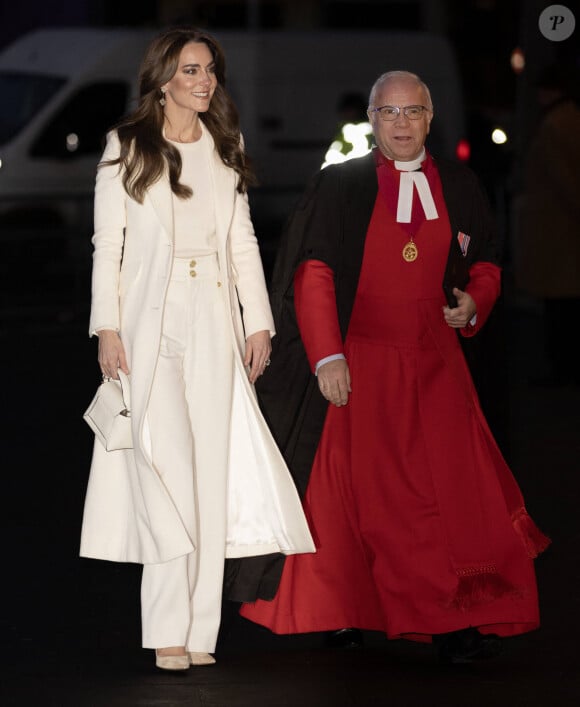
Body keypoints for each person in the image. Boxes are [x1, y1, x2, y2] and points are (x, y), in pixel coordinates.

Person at [236, 70, 550, 664]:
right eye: (389, 112)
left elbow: (485, 263)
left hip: (437, 363)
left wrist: (473, 303)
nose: (402, 124)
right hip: (361, 365)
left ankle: (458, 613)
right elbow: (314, 274)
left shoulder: (459, 183)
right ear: (373, 120)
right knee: (358, 497)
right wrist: (328, 356)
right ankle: (347, 608)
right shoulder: (340, 186)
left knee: (456, 495)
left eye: (413, 112)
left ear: (431, 118)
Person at [79, 26, 314, 672]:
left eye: (210, 70)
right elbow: (110, 245)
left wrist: (257, 322)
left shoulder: (223, 145)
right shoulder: (125, 147)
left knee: (210, 474)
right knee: (168, 476)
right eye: (191, 70)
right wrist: (107, 327)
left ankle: (201, 627)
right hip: (152, 324)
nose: (205, 81)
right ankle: (166, 629)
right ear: (162, 78)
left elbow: (242, 241)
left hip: (214, 316)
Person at [513, 63, 580, 386]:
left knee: (559, 307)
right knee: (564, 304)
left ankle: (563, 369)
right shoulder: (570, 120)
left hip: (557, 228)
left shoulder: (554, 125)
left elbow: (564, 181)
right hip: (562, 229)